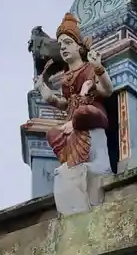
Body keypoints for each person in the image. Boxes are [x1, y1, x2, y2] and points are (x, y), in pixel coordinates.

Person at [36, 13, 114, 175]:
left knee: (82, 113)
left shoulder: (89, 68)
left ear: (79, 46)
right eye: (60, 44)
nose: (63, 47)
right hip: (72, 117)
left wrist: (99, 68)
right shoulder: (66, 78)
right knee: (53, 133)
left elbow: (107, 90)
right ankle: (71, 162)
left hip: (92, 112)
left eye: (67, 43)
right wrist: (47, 94)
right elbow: (65, 103)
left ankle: (87, 161)